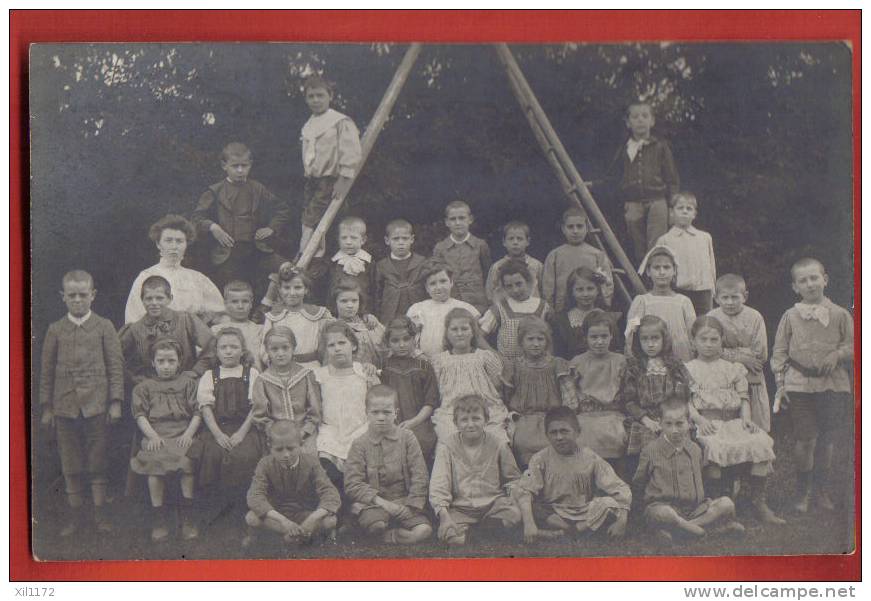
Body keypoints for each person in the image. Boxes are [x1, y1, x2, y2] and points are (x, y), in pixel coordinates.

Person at [38, 270, 124, 536]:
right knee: (71, 463)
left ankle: (100, 517)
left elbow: (115, 366)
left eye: (83, 295)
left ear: (93, 295)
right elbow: (46, 371)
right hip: (64, 408)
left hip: (97, 406)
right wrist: (47, 407)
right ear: (63, 297)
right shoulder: (56, 329)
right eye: (72, 295)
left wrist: (115, 401)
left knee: (97, 461)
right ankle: (75, 518)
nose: (77, 300)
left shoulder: (104, 326)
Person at [770, 258, 854, 514]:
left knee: (826, 440)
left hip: (832, 385)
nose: (810, 284)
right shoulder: (790, 316)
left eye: (814, 278)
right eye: (803, 280)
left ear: (825, 280)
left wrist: (837, 355)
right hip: (799, 386)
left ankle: (820, 490)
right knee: (806, 438)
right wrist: (781, 385)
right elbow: (779, 353)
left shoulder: (840, 314)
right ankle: (803, 490)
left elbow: (854, 345)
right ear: (795, 287)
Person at [685, 316, 784, 525]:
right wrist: (699, 419)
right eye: (703, 339)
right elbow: (687, 402)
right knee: (713, 449)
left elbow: (743, 398)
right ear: (693, 341)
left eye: (714, 339)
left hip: (734, 421)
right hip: (707, 423)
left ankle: (757, 501)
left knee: (760, 443)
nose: (709, 345)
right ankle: (721, 504)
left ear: (722, 340)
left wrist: (746, 419)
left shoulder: (733, 368)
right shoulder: (688, 369)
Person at [633, 398, 743, 545]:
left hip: (695, 509)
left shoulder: (695, 450)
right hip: (665, 507)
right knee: (662, 514)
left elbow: (702, 479)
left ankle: (683, 529)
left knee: (727, 503)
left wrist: (704, 503)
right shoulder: (650, 451)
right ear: (660, 424)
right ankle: (706, 530)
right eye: (668, 424)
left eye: (679, 424)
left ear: (689, 423)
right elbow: (638, 483)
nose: (674, 430)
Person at [514, 407, 630, 542]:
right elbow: (525, 490)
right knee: (526, 503)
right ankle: (571, 530)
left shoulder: (590, 458)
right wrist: (529, 524)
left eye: (564, 431)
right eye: (553, 433)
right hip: (554, 513)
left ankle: (567, 532)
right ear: (547, 435)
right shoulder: (540, 458)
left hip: (584, 512)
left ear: (577, 432)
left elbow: (619, 488)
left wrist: (622, 521)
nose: (559, 437)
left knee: (608, 503)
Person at [190, 142, 290, 295]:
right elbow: (197, 217)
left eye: (244, 166)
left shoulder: (257, 188)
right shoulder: (216, 191)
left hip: (257, 250)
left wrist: (271, 228)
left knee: (288, 271)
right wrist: (213, 227)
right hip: (228, 254)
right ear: (224, 166)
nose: (240, 170)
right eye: (235, 166)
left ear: (250, 165)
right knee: (234, 292)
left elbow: (282, 209)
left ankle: (265, 309)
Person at [129, 337, 202, 542]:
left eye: (171, 361)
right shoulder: (144, 387)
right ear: (153, 362)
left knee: (186, 463)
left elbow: (198, 411)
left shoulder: (188, 384)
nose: (166, 366)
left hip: (183, 433)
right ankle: (158, 518)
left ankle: (187, 517)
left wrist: (188, 434)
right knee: (155, 464)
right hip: (157, 435)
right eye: (161, 361)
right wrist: (152, 435)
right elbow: (140, 415)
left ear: (179, 361)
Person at [429, 395, 523, 546]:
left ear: (486, 420)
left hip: (493, 505)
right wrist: (444, 516)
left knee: (514, 515)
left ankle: (472, 536)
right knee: (449, 533)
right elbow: (439, 484)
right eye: (464, 420)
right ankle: (488, 533)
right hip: (462, 509)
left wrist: (512, 497)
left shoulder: (498, 444)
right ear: (456, 423)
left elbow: (512, 478)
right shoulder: (447, 447)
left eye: (476, 418)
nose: (470, 424)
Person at [344, 385, 432, 544]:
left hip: (405, 501)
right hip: (375, 503)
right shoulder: (360, 444)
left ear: (395, 414)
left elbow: (420, 475)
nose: (381, 417)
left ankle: (392, 536)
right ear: (366, 414)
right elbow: (352, 484)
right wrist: (383, 504)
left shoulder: (407, 437)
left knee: (424, 531)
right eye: (375, 412)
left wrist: (411, 505)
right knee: (376, 525)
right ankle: (376, 527)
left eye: (386, 412)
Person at [189, 328, 263, 501]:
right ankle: (216, 506)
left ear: (243, 350)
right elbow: (206, 408)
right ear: (216, 352)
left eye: (234, 347)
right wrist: (218, 435)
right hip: (217, 428)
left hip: (245, 428)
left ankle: (244, 503)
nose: (228, 351)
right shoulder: (209, 375)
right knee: (213, 454)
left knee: (246, 455)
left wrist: (241, 434)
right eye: (223, 347)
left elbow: (255, 408)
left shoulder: (251, 373)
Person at [243, 420, 340, 549]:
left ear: (301, 444)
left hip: (304, 514)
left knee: (330, 520)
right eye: (279, 449)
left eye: (291, 448)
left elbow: (330, 493)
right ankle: (297, 536)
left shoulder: (312, 463)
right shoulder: (265, 464)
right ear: (269, 447)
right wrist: (283, 522)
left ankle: (293, 536)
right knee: (251, 517)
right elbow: (255, 496)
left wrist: (311, 520)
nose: (286, 455)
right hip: (277, 517)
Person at [297, 75, 362, 260]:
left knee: (312, 217)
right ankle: (315, 254)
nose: (316, 100)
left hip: (330, 178)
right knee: (309, 215)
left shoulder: (339, 121)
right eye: (311, 96)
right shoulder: (309, 125)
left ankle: (305, 252)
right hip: (313, 179)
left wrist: (343, 179)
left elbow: (350, 152)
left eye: (320, 95)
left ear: (330, 96)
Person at [606, 101, 679, 263]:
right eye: (635, 117)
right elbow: (614, 176)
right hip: (632, 203)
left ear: (652, 121)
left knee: (658, 243)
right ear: (628, 123)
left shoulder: (660, 146)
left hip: (657, 201)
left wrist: (673, 207)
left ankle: (657, 281)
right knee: (636, 245)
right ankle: (641, 283)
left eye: (645, 116)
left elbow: (672, 179)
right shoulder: (624, 148)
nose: (640, 120)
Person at [501, 316, 576, 467]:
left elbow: (569, 397)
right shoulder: (514, 366)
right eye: (530, 339)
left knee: (555, 442)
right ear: (521, 342)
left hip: (553, 416)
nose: (535, 344)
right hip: (525, 417)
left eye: (540, 339)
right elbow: (506, 396)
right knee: (523, 442)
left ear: (547, 342)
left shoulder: (557, 364)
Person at [314, 321, 380, 489]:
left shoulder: (364, 372)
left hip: (360, 428)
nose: (337, 348)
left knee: (362, 464)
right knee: (326, 462)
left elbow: (377, 403)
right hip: (331, 429)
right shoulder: (319, 375)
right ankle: (338, 500)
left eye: (342, 343)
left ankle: (358, 497)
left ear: (354, 346)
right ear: (326, 350)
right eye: (331, 345)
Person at [124, 214, 224, 325]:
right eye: (168, 240)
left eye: (179, 241)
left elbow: (220, 313)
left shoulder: (198, 279)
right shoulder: (146, 276)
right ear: (158, 244)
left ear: (186, 244)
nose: (174, 246)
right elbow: (133, 319)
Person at [119, 275, 216, 387]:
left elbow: (212, 345)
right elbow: (117, 359)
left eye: (160, 298)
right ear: (142, 300)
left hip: (187, 385)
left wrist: (195, 372)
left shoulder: (185, 320)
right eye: (149, 298)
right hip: (153, 390)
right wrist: (139, 380)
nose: (154, 303)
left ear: (170, 298)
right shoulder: (134, 329)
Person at [431, 308, 510, 444]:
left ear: (473, 332)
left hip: (486, 409)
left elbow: (498, 387)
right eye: (454, 330)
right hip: (452, 412)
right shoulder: (439, 361)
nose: (460, 334)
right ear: (447, 333)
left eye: (464, 329)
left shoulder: (485, 357)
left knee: (495, 440)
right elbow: (436, 391)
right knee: (450, 439)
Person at [619, 315, 691, 458]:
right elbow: (629, 401)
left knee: (681, 441)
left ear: (664, 340)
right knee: (650, 446)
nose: (650, 344)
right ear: (638, 342)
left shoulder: (674, 365)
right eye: (645, 339)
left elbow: (683, 395)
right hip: (645, 419)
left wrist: (671, 418)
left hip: (672, 416)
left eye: (655, 338)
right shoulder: (634, 367)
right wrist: (646, 420)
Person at [708, 274, 771, 432]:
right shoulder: (712, 317)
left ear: (745, 296)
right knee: (726, 423)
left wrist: (724, 352)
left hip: (751, 376)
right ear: (716, 298)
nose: (730, 302)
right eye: (725, 297)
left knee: (754, 422)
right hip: (722, 377)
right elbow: (710, 349)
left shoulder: (755, 317)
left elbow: (760, 354)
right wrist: (741, 356)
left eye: (735, 297)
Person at [251, 326, 322, 455]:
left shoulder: (305, 375)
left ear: (293, 348)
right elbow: (260, 417)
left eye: (285, 348)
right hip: (276, 437)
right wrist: (277, 434)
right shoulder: (262, 380)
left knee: (308, 459)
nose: (280, 353)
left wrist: (304, 431)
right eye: (274, 349)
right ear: (267, 351)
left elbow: (315, 411)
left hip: (305, 433)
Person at [569, 310, 628, 463]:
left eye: (604, 336)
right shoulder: (577, 362)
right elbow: (572, 393)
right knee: (581, 436)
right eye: (594, 337)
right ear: (585, 338)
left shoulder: (620, 361)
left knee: (618, 433)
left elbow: (626, 392)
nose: (599, 342)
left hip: (613, 415)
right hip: (586, 415)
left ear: (611, 336)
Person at [379, 317, 439, 462]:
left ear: (414, 339)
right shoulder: (384, 365)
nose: (401, 345)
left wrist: (414, 421)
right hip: (391, 421)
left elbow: (430, 401)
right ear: (388, 343)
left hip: (419, 421)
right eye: (395, 341)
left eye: (406, 339)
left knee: (420, 443)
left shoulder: (424, 365)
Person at [625, 244, 696, 362]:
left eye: (666, 267)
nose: (662, 272)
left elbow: (692, 331)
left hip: (680, 355)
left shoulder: (683, 302)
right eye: (656, 268)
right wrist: (629, 350)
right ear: (648, 271)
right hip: (651, 356)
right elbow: (631, 329)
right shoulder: (642, 301)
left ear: (674, 271)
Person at [260, 264, 333, 370]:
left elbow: (329, 343)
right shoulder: (273, 317)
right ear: (280, 289)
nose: (292, 293)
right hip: (282, 369)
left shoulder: (319, 314)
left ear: (306, 289)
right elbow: (264, 348)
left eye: (298, 287)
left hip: (311, 368)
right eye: (286, 288)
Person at [542, 206, 615, 311]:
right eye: (570, 227)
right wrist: (552, 310)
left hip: (593, 310)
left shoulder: (597, 255)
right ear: (563, 229)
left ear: (587, 228)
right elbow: (548, 288)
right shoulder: (555, 255)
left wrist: (603, 305)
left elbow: (607, 283)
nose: (575, 231)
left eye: (579, 226)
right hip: (563, 310)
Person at [655, 192, 716, 315]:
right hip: (678, 290)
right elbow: (660, 268)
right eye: (680, 208)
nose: (685, 211)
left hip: (703, 290)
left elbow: (711, 265)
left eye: (689, 209)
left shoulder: (704, 237)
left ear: (694, 214)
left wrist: (712, 288)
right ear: (672, 212)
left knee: (703, 326)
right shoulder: (665, 240)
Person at [406, 260, 480, 359]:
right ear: (426, 288)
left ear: (451, 282)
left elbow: (476, 339)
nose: (439, 287)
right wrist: (419, 355)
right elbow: (409, 337)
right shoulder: (418, 308)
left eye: (443, 281)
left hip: (457, 360)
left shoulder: (465, 308)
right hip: (426, 361)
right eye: (432, 284)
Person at [479, 260, 551, 361]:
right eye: (509, 286)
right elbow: (478, 337)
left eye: (519, 284)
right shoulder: (500, 308)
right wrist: (496, 356)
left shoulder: (543, 306)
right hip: (508, 366)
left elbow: (551, 337)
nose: (515, 290)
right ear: (503, 287)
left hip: (536, 366)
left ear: (529, 281)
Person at [431, 200, 491, 313]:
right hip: (450, 301)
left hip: (477, 302)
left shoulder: (480, 245)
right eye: (453, 219)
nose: (457, 222)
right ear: (446, 222)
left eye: (462, 218)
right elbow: (436, 277)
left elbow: (487, 274)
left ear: (470, 219)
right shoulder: (440, 248)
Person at [373, 218, 427, 325]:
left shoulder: (421, 262)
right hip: (391, 314)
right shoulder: (382, 266)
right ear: (387, 241)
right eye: (396, 239)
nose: (401, 243)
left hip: (418, 312)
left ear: (412, 239)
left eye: (405, 238)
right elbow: (377, 294)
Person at [551, 266, 612, 359]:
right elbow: (559, 354)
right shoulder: (561, 320)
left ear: (598, 290)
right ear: (571, 291)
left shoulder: (607, 317)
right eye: (580, 290)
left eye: (590, 288)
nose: (585, 294)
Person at [330, 278, 385, 367]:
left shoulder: (370, 324)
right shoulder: (331, 327)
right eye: (344, 301)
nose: (350, 305)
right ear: (335, 302)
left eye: (354, 301)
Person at [211, 280, 264, 371]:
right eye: (235, 302)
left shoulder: (259, 330)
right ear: (226, 303)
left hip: (255, 379)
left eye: (245, 301)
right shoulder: (216, 330)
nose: (240, 306)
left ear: (251, 303)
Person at [485, 221, 543, 302]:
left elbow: (542, 289)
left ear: (528, 241)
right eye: (511, 239)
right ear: (504, 242)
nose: (515, 242)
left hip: (531, 310)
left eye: (520, 239)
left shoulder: (536, 265)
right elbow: (490, 292)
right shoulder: (498, 267)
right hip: (506, 310)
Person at [325, 216, 376, 302]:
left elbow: (374, 289)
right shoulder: (333, 262)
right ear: (338, 239)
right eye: (344, 238)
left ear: (363, 240)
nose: (348, 242)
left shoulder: (369, 263)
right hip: (337, 310)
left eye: (353, 238)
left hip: (362, 309)